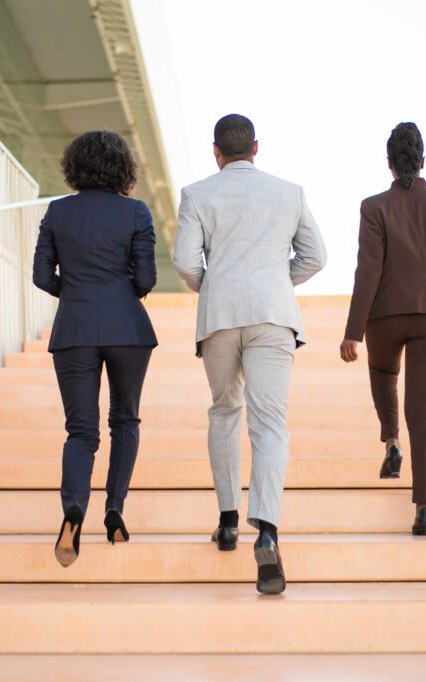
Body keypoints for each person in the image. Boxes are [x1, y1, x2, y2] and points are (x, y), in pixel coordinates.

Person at [173, 114, 327, 594]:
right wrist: (278, 283)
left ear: (215, 151)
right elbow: (316, 256)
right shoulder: (289, 192)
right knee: (269, 424)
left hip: (219, 315)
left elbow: (182, 261)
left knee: (224, 411)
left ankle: (226, 520)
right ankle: (268, 532)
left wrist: (215, 286)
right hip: (273, 316)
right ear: (256, 147)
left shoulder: (197, 194)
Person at [339, 122, 426, 536]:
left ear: (389, 164)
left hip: (385, 315)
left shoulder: (374, 206)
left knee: (383, 374)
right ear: (422, 160)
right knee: (424, 410)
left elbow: (368, 271)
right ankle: (424, 509)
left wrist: (353, 332)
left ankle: (392, 441)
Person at [33, 130, 158, 567]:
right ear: (124, 168)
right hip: (128, 329)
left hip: (74, 329)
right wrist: (117, 289)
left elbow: (42, 276)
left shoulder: (56, 212)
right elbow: (145, 281)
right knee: (125, 419)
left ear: (75, 167)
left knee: (81, 431)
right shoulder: (136, 212)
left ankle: (73, 511)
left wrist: (79, 291)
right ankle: (114, 509)